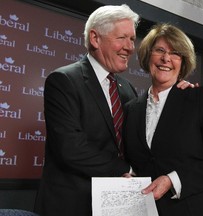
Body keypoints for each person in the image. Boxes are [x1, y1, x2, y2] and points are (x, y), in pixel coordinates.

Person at [34, 5, 193, 216]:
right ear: (95, 38)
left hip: (118, 206)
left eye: (132, 39)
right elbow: (70, 148)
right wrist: (126, 170)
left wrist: (178, 97)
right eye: (122, 38)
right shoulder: (64, 81)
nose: (130, 47)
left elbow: (142, 140)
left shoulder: (126, 88)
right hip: (72, 205)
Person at [123, 23, 203, 216]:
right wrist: (131, 174)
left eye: (175, 53)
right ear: (147, 55)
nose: (166, 58)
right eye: (159, 50)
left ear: (183, 62)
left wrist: (173, 180)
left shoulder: (199, 98)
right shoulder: (131, 109)